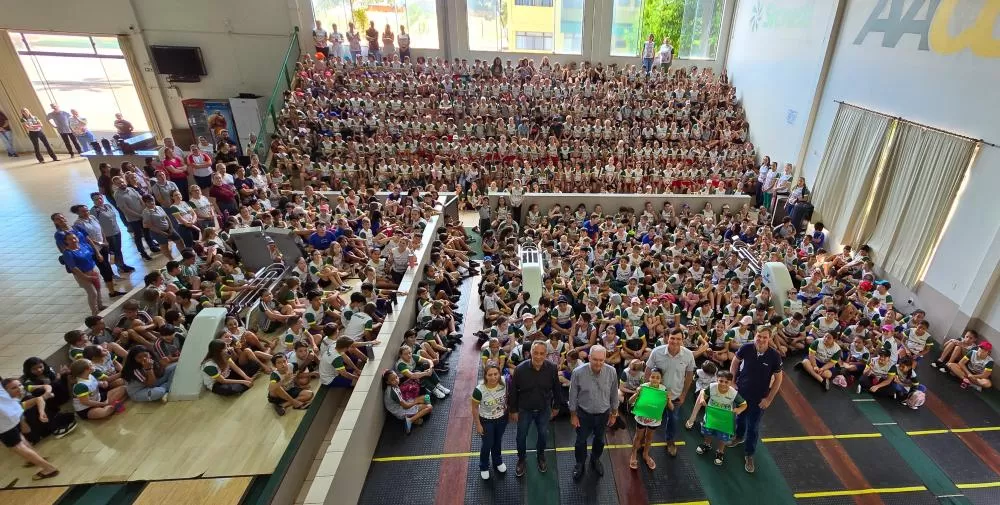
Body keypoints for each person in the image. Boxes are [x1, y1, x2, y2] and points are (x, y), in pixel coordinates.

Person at [728, 326, 783, 473]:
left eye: (765, 337)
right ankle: (738, 437)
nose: (761, 339)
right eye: (759, 336)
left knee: (753, 427)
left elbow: (778, 379)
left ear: (769, 338)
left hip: (760, 398)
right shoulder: (746, 348)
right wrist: (732, 381)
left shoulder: (774, 356)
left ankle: (749, 454)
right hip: (742, 393)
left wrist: (769, 399)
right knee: (740, 417)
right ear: (755, 335)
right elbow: (735, 362)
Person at [509, 340, 563, 477]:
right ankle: (521, 459)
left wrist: (556, 407)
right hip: (524, 410)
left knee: (543, 435)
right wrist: (513, 410)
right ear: (530, 353)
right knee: (521, 437)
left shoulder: (551, 368)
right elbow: (513, 391)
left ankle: (541, 456)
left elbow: (557, 388)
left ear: (546, 354)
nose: (538, 356)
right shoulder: (520, 370)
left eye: (542, 353)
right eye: (535, 353)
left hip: (543, 409)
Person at [568, 345, 620, 481]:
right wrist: (573, 415)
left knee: (600, 440)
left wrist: (614, 414)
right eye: (595, 359)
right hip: (583, 414)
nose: (598, 363)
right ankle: (580, 463)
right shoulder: (578, 373)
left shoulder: (612, 372)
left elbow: (614, 393)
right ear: (589, 358)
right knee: (580, 441)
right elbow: (572, 395)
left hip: (603, 414)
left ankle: (595, 459)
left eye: (601, 360)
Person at [645, 328, 694, 457]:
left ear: (682, 340)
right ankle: (643, 442)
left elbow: (689, 376)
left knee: (673, 419)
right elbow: (648, 370)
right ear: (667, 338)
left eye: (678, 339)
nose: (675, 341)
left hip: (675, 396)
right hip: (656, 395)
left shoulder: (688, 355)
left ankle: (670, 441)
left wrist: (683, 395)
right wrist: (647, 391)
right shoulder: (656, 352)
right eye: (672, 338)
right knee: (649, 418)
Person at [0, 376, 60, 480]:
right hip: (12, 414)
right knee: (19, 438)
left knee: (17, 447)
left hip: (4, 422)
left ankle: (49, 468)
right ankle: (34, 458)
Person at [693, 370, 747, 466]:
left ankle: (720, 452)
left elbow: (744, 404)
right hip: (711, 416)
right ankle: (707, 445)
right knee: (707, 432)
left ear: (730, 382)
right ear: (717, 379)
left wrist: (739, 410)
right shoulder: (712, 387)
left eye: (726, 382)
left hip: (724, 420)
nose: (723, 384)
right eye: (721, 381)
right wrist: (702, 399)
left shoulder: (733, 393)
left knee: (722, 437)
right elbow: (703, 393)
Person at [472, 363, 508, 480]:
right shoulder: (479, 390)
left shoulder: (504, 382)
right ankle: (484, 466)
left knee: (497, 441)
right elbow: (474, 408)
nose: (493, 377)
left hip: (502, 418)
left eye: (495, 374)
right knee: (488, 444)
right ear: (485, 375)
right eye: (490, 375)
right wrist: (478, 424)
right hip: (486, 420)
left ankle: (497, 462)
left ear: (499, 374)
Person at [61, 232, 106, 315]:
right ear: (66, 241)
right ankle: (95, 312)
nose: (74, 240)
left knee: (98, 288)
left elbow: (92, 252)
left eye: (74, 238)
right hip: (82, 274)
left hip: (93, 269)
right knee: (92, 293)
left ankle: (101, 305)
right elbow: (73, 268)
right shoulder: (68, 253)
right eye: (70, 239)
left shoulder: (83, 245)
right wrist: (85, 277)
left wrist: (98, 255)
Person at [382, 369, 433, 434]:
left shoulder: (393, 385)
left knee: (425, 397)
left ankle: (415, 417)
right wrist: (416, 401)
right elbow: (405, 406)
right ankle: (410, 420)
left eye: (396, 377)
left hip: (402, 403)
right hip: (400, 410)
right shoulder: (393, 392)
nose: (396, 380)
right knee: (429, 407)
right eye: (393, 380)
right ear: (387, 382)